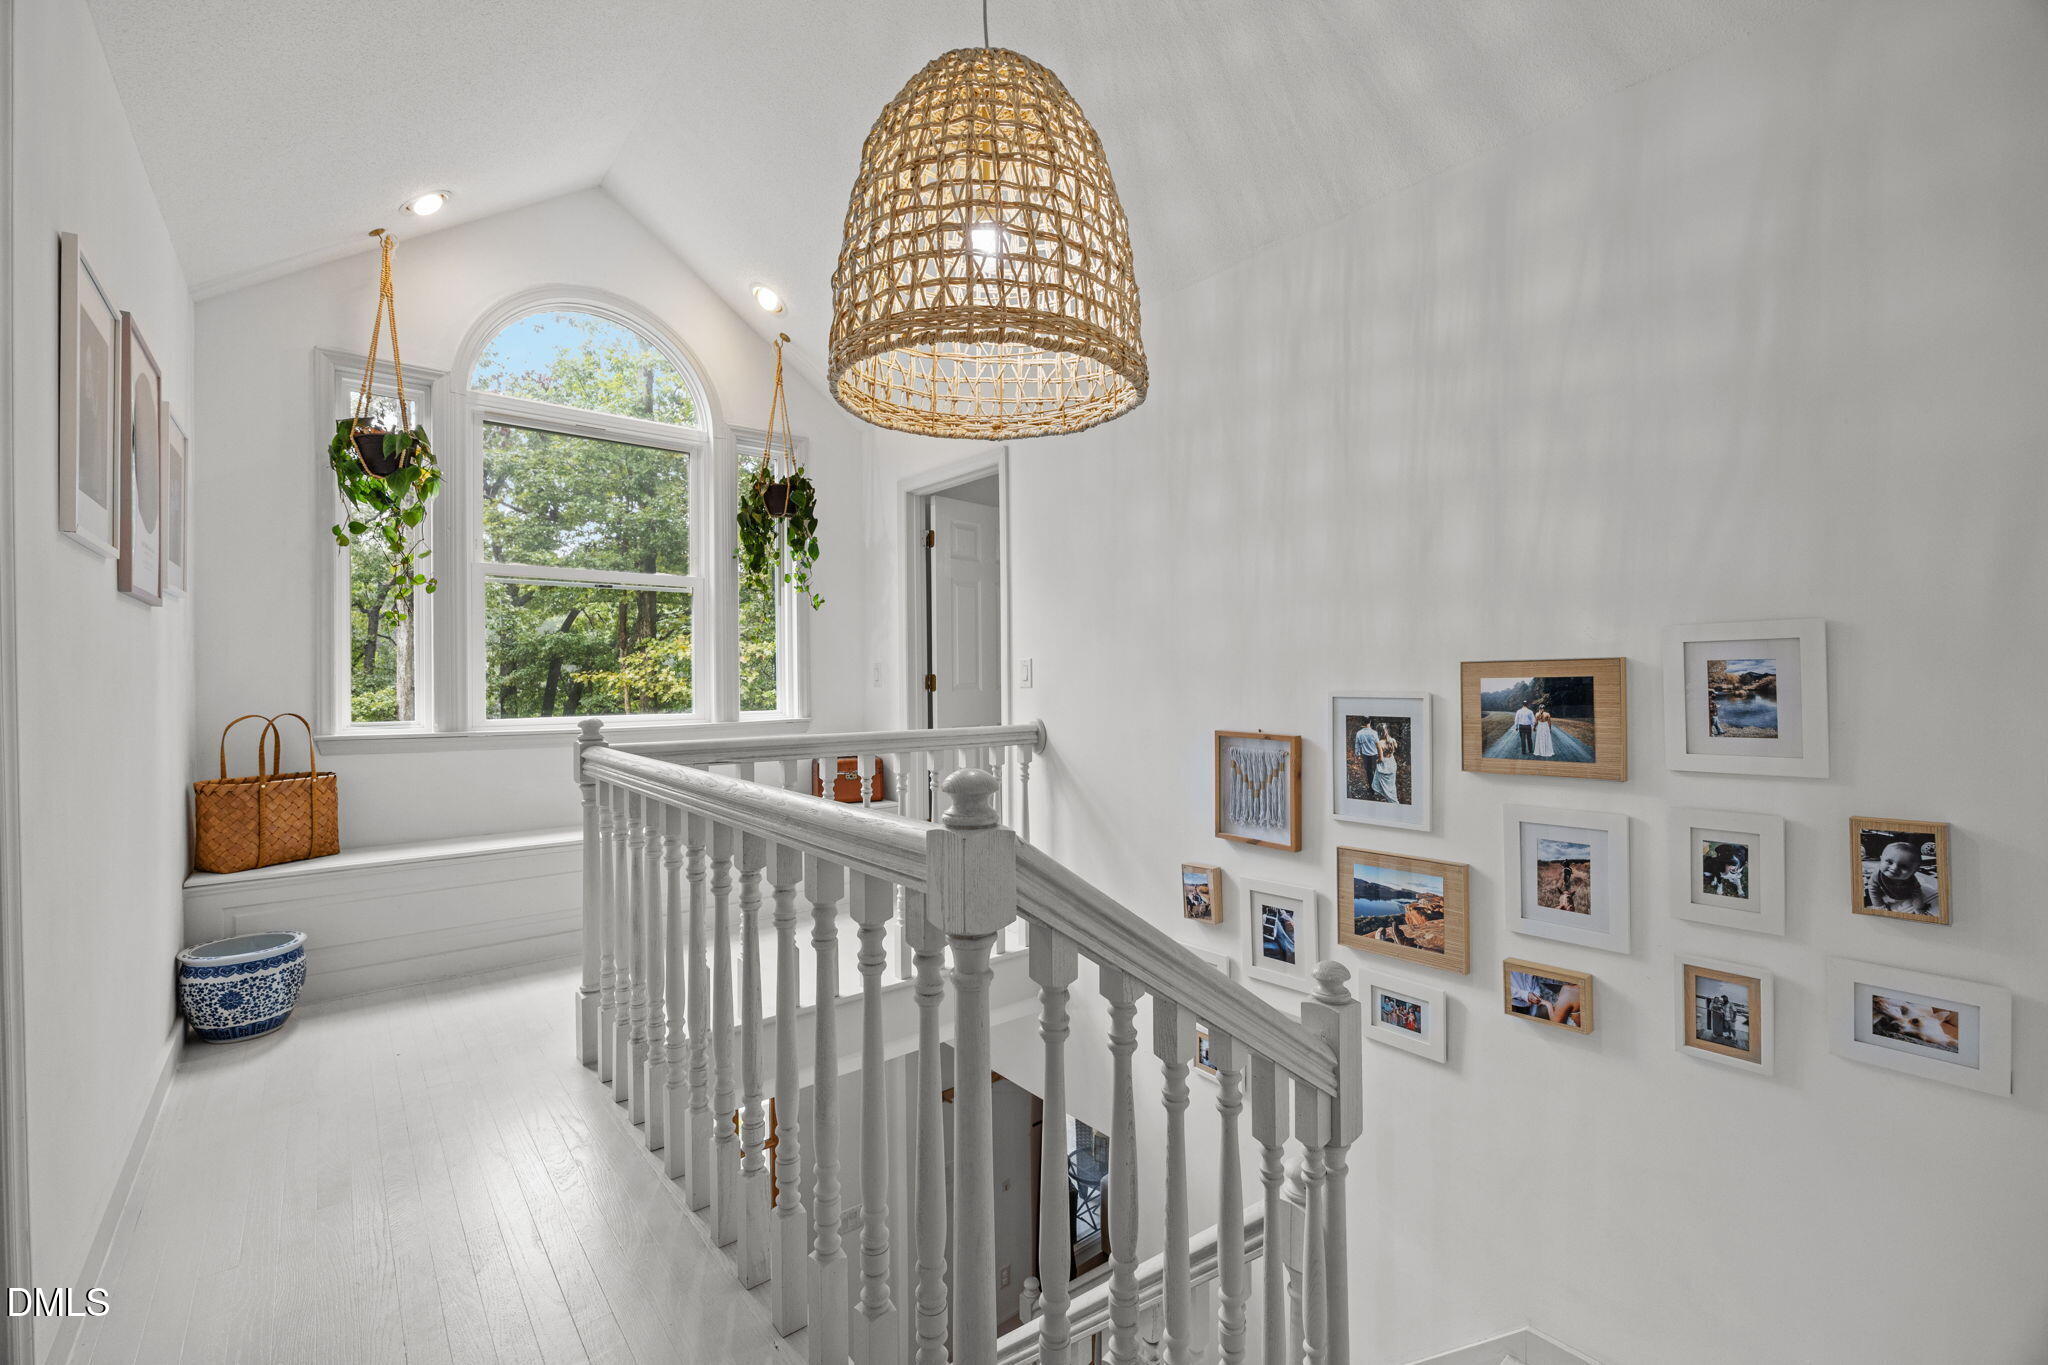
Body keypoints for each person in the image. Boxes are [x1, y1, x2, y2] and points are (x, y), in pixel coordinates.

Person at [1865, 841, 1940, 917]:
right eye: (1889, 862)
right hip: (1885, 889)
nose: (1894, 868)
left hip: (1903, 892)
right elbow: (1873, 889)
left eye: (1903, 866)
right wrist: (1879, 905)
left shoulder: (1912, 881)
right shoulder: (1877, 875)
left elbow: (1917, 894)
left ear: (1914, 871)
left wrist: (1919, 908)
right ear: (1881, 859)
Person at [1370, 725, 1400, 802]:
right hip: (1392, 763)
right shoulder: (1393, 740)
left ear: (1378, 732)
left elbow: (1381, 758)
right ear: (1386, 731)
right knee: (1391, 786)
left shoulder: (1379, 743)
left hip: (1384, 766)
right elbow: (1395, 748)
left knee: (1378, 784)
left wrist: (1375, 761)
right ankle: (1392, 798)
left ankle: (1387, 798)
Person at [1353, 721, 1381, 796]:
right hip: (1374, 755)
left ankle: (1372, 789)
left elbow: (1357, 744)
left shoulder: (1359, 733)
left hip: (1365, 755)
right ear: (1370, 722)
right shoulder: (1374, 733)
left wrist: (1357, 754)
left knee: (1369, 773)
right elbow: (1378, 745)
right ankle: (1375, 788)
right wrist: (1380, 755)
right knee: (1375, 771)